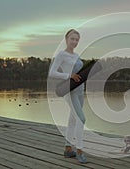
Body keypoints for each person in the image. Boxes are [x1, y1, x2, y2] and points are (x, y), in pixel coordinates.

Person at [49, 29, 87, 163]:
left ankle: (68, 148)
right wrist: (68, 76)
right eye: (72, 39)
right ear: (66, 39)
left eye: (77, 39)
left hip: (80, 90)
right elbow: (52, 73)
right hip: (70, 91)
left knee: (73, 120)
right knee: (81, 119)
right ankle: (80, 150)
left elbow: (78, 73)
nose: (75, 42)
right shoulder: (61, 55)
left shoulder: (76, 55)